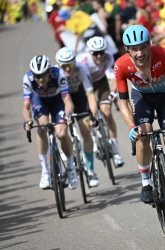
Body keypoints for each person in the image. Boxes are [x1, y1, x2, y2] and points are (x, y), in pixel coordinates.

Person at [114, 25, 165, 215]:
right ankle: (146, 183)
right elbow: (123, 101)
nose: (139, 53)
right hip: (142, 98)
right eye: (134, 49)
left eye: (142, 47)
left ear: (149, 44)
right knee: (142, 135)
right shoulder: (121, 65)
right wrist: (131, 126)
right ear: (127, 50)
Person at [22, 55, 78, 190]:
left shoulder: (59, 74)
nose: (40, 79)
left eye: (43, 75)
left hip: (58, 101)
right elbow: (26, 106)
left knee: (62, 133)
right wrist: (28, 121)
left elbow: (67, 101)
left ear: (50, 72)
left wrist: (68, 115)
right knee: (42, 128)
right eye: (37, 75)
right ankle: (45, 171)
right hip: (40, 101)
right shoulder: (28, 79)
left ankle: (71, 168)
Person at [55, 47, 100, 187]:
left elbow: (91, 95)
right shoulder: (55, 73)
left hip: (79, 97)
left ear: (75, 62)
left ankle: (91, 170)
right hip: (61, 100)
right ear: (59, 65)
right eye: (64, 66)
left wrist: (93, 115)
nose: (68, 69)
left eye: (70, 65)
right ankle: (67, 155)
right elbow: (51, 101)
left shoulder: (82, 68)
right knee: (61, 131)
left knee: (86, 130)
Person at [77, 36, 125, 167]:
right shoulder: (83, 60)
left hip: (101, 82)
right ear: (90, 52)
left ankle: (116, 153)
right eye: (95, 53)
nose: (99, 56)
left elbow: (113, 77)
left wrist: (114, 93)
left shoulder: (108, 57)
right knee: (89, 119)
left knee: (107, 112)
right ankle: (94, 137)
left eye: (101, 52)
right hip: (85, 86)